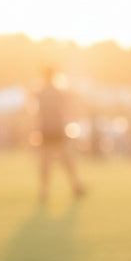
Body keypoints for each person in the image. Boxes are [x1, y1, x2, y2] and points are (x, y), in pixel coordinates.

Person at [31, 66, 86, 203]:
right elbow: (66, 111)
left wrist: (36, 128)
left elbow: (35, 113)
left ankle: (44, 191)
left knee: (46, 161)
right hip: (57, 129)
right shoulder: (58, 92)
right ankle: (75, 185)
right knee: (66, 159)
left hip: (46, 129)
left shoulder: (40, 92)